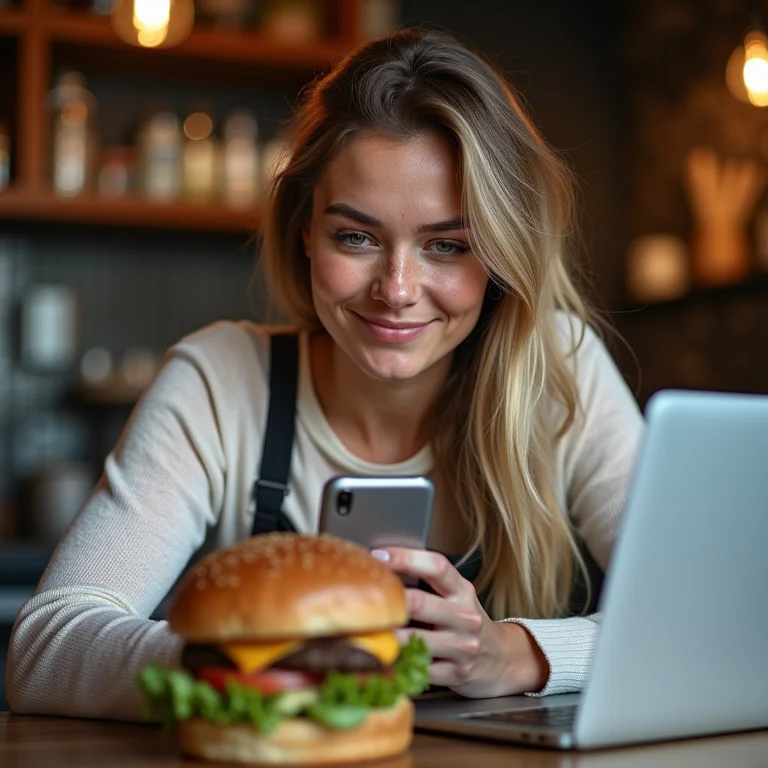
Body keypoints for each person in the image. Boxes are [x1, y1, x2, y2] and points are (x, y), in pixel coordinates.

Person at [6, 28, 643, 721]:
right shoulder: (223, 379)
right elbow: (45, 646)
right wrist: (258, 663)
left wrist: (514, 653)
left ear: (498, 257)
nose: (397, 289)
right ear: (305, 231)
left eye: (448, 245)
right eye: (357, 237)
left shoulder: (558, 366)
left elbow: (722, 619)